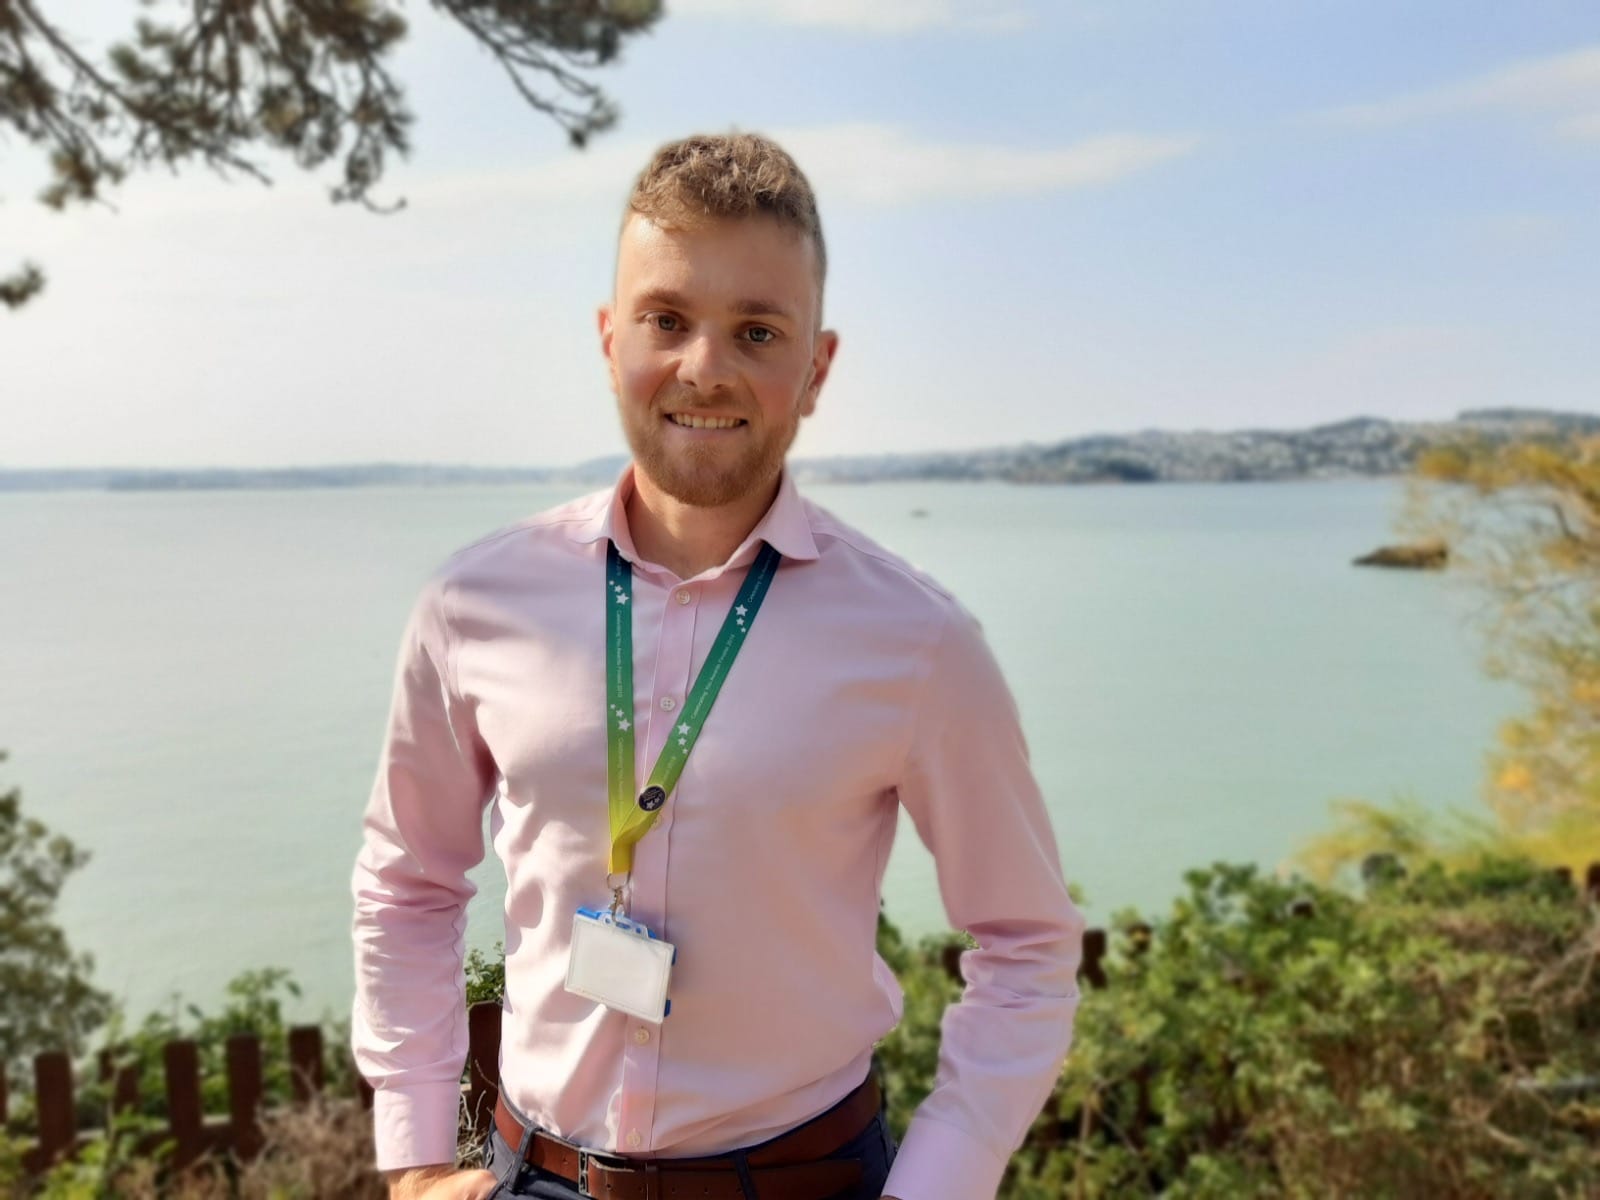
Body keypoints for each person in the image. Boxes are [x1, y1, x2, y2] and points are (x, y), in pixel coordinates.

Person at [351, 131, 1085, 1200]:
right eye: (666, 320)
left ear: (816, 368)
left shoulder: (918, 641)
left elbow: (1024, 944)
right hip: (530, 1176)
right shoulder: (471, 606)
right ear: (610, 340)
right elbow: (408, 883)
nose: (705, 366)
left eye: (756, 330)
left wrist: (940, 1184)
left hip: (803, 1178)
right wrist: (415, 1157)